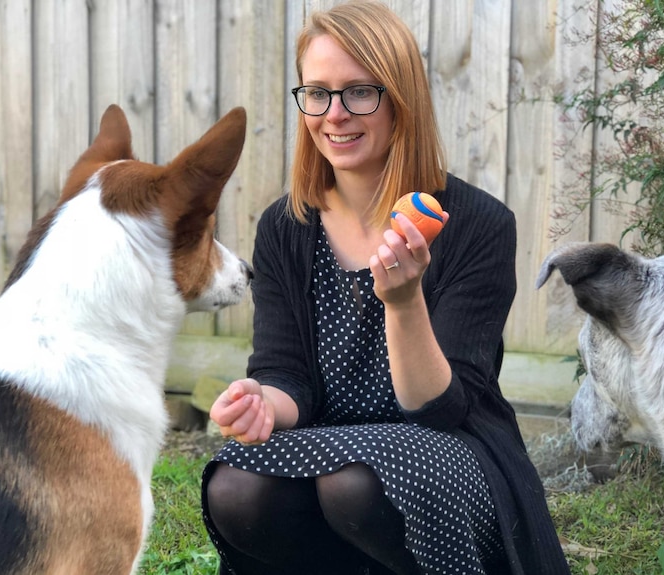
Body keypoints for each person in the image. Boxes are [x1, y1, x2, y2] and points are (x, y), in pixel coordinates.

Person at [201, 2, 571, 574]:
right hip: (326, 443)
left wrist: (403, 303)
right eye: (317, 93)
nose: (335, 114)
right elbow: (286, 374)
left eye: (358, 92)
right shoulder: (286, 227)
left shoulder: (476, 223)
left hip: (452, 453)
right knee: (236, 487)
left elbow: (440, 410)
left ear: (401, 98)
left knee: (355, 483)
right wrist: (260, 403)